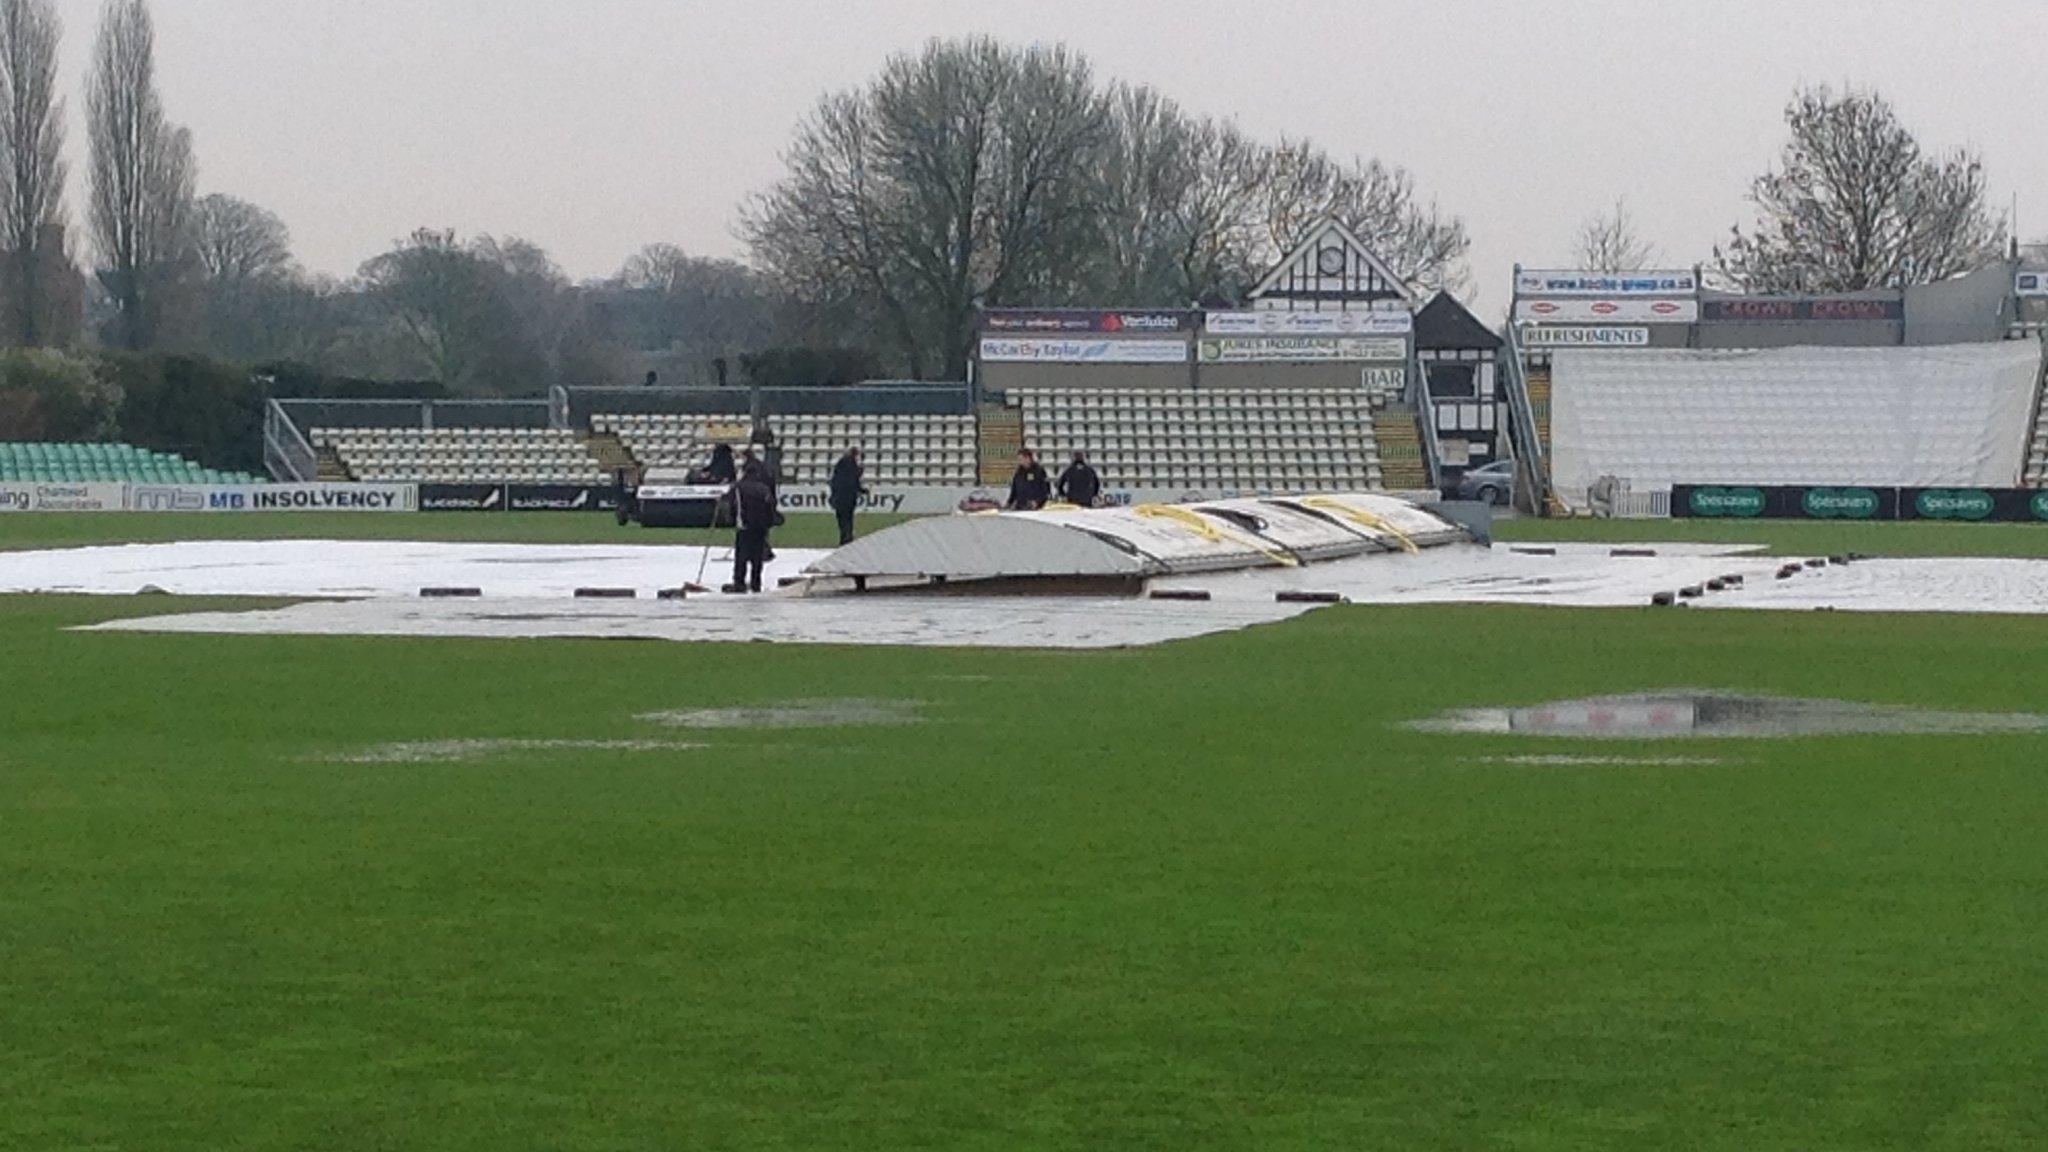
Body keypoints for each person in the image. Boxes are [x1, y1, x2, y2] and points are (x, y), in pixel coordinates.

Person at [727, 460, 776, 594]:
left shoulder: (737, 487)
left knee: (741, 557)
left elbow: (732, 506)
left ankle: (739, 583)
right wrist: (769, 523)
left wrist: (732, 521)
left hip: (743, 525)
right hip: (760, 527)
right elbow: (770, 508)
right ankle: (756, 583)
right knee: (757, 558)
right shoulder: (763, 489)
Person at [829, 446, 868, 546]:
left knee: (841, 519)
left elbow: (835, 481)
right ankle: (848, 538)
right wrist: (862, 490)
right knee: (848, 519)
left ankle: (843, 538)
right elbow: (853, 481)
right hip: (849, 497)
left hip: (839, 496)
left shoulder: (840, 465)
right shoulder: (852, 465)